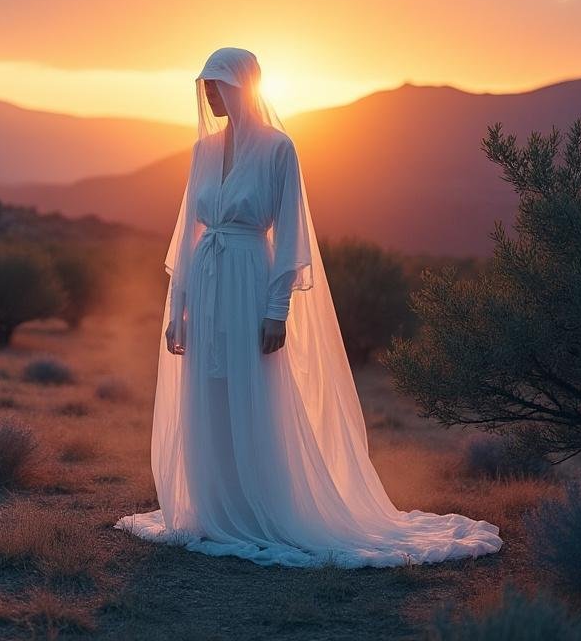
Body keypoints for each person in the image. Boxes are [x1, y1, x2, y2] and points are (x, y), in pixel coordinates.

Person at [115, 48, 502, 568]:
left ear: (244, 85)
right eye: (206, 83)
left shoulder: (279, 149)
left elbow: (292, 231)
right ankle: (214, 507)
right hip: (207, 284)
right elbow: (189, 233)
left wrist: (277, 309)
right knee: (209, 388)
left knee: (255, 388)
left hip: (250, 277)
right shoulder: (203, 149)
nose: (210, 92)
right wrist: (177, 307)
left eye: (220, 82)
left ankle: (263, 507)